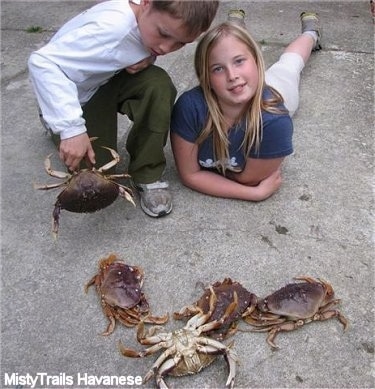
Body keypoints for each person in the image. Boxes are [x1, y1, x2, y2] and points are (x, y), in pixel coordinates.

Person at [28, 0, 219, 218]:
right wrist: (71, 128)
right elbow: (42, 63)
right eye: (163, 34)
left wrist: (148, 55)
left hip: (110, 78)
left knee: (158, 85)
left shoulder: (150, 14)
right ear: (147, 3)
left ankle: (148, 174)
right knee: (99, 176)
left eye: (180, 43)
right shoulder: (109, 30)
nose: (167, 48)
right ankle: (51, 116)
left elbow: (155, 38)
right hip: (75, 95)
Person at [170, 11, 322, 201]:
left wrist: (208, 176)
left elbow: (248, 178)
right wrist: (254, 194)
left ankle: (311, 33)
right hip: (242, 87)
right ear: (205, 78)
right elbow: (189, 175)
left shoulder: (275, 120)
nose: (232, 75)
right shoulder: (189, 107)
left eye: (239, 61)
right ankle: (234, 29)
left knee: (289, 65)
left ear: (258, 62)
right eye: (217, 68)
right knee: (228, 43)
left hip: (272, 92)